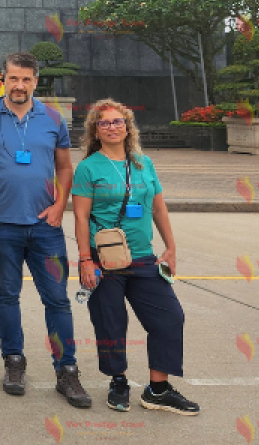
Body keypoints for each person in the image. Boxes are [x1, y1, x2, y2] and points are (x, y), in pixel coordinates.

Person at [0, 52, 90, 408]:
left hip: (45, 228)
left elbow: (65, 167)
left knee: (58, 301)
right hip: (2, 228)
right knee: (7, 297)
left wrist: (58, 206)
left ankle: (66, 370)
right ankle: (14, 362)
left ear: (36, 81)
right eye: (12, 79)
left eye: (26, 79)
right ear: (2, 79)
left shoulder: (53, 118)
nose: (19, 86)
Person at [73, 99, 199, 416]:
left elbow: (158, 207)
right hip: (105, 261)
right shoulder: (88, 168)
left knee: (170, 318)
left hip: (144, 258)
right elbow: (80, 217)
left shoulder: (144, 164)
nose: (112, 127)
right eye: (105, 123)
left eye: (118, 122)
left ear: (128, 127)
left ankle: (158, 389)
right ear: (95, 131)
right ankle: (118, 381)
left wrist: (170, 246)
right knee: (111, 323)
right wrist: (85, 259)